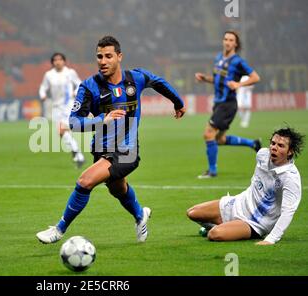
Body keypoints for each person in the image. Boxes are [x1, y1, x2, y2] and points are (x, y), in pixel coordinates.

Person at [36, 36, 185, 244]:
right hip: (101, 149)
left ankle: (59, 230)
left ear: (119, 57)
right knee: (117, 188)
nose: (103, 61)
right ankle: (140, 215)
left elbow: (159, 83)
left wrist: (178, 103)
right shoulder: (89, 87)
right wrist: (101, 119)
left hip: (127, 150)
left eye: (108, 56)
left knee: (84, 181)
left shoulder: (136, 78)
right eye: (99, 56)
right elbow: (74, 122)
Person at [187, 127, 304, 245]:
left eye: (280, 145)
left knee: (214, 234)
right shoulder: (262, 155)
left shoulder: (290, 178)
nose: (274, 147)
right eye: (273, 143)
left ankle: (223, 227)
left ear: (290, 151)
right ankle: (223, 225)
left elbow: (288, 212)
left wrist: (270, 239)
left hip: (256, 222)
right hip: (238, 203)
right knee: (192, 213)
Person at [195, 30, 261, 179]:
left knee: (208, 134)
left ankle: (212, 172)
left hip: (227, 104)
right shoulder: (218, 58)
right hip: (219, 103)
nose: (227, 42)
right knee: (219, 139)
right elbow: (217, 79)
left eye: (231, 40)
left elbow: (256, 77)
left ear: (236, 44)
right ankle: (253, 143)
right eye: (225, 39)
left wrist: (238, 84)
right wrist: (204, 78)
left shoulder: (238, 61)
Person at [39, 53, 85, 168]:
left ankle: (77, 153)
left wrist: (75, 92)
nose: (58, 62)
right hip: (56, 107)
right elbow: (43, 87)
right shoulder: (49, 75)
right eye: (55, 60)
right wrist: (43, 94)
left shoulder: (70, 72)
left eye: (60, 59)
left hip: (68, 105)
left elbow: (80, 84)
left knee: (62, 130)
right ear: (52, 62)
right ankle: (78, 155)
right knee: (62, 133)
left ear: (64, 61)